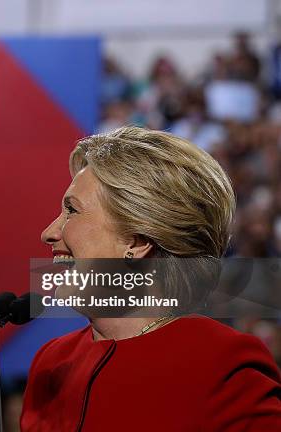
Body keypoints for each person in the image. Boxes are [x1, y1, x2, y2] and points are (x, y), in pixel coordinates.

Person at [21, 126, 281, 431]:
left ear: (136, 240)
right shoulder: (50, 363)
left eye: (71, 211)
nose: (49, 233)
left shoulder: (221, 364)